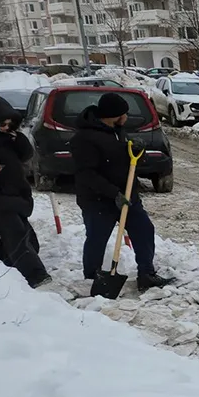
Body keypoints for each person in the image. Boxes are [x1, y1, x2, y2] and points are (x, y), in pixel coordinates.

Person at [70, 92, 171, 289]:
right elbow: (86, 174)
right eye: (124, 113)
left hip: (127, 195)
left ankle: (146, 274)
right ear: (114, 114)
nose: (126, 117)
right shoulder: (84, 138)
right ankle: (92, 278)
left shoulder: (118, 131)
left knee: (144, 230)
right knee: (97, 238)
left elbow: (127, 162)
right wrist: (112, 193)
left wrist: (136, 153)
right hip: (98, 199)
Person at [0, 94, 51, 287]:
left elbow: (26, 154)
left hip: (15, 193)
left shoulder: (8, 137)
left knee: (19, 238)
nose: (5, 127)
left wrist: (17, 139)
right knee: (15, 234)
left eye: (9, 123)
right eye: (2, 123)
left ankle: (2, 267)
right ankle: (36, 276)